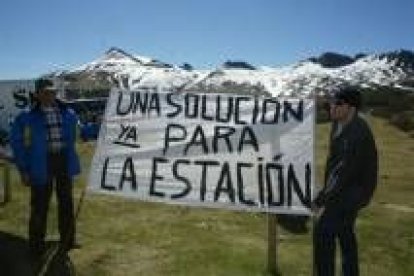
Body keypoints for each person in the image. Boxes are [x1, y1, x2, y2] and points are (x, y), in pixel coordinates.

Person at [10, 78, 81, 257]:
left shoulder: (68, 113)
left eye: (53, 91)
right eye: (47, 92)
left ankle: (68, 241)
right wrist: (24, 170)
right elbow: (18, 144)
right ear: (38, 94)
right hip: (40, 163)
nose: (51, 95)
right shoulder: (25, 117)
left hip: (63, 160)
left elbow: (76, 136)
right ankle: (36, 246)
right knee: (39, 205)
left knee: (66, 202)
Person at [312, 87, 378, 276]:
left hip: (351, 193)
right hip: (350, 190)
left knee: (323, 232)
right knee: (345, 233)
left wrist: (321, 199)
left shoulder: (357, 134)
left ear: (351, 108)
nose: (332, 106)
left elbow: (342, 173)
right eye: (332, 103)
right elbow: (328, 105)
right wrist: (318, 101)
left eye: (337, 103)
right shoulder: (341, 120)